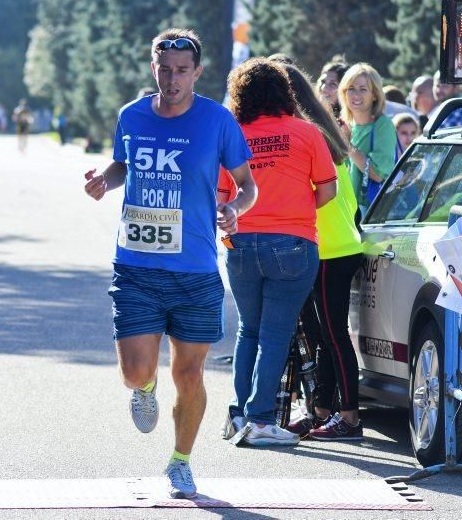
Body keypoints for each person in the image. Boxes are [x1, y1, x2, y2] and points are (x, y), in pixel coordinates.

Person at [84, 28, 256, 499]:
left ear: (197, 72)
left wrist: (235, 208)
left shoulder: (218, 121)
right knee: (135, 372)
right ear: (152, 67)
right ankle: (145, 386)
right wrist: (105, 177)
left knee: (192, 374)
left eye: (182, 70)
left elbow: (246, 184)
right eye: (164, 69)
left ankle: (180, 462)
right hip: (136, 265)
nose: (172, 78)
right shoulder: (132, 115)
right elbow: (122, 164)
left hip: (196, 268)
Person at [221, 57, 337, 446]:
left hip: (241, 242)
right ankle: (261, 420)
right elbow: (328, 189)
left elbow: (223, 195)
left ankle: (238, 415)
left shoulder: (232, 133)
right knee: (275, 333)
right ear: (285, 92)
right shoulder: (306, 132)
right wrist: (294, 210)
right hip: (292, 243)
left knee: (247, 330)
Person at [271, 62, 365, 442]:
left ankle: (350, 418)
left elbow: (321, 195)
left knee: (333, 334)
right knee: (320, 333)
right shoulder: (324, 130)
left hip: (331, 248)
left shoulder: (308, 134)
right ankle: (321, 411)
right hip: (327, 244)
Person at [338, 63, 398, 217]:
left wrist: (347, 144)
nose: (355, 95)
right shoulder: (345, 125)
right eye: (351, 89)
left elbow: (378, 174)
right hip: (347, 212)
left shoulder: (383, 125)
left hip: (371, 214)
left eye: (363, 89)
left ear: (375, 95)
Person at [317, 57, 349, 122]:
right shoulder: (310, 115)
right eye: (323, 82)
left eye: (332, 84)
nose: (324, 88)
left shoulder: (349, 124)